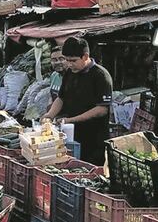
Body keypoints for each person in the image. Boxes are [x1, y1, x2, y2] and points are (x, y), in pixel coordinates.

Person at [41, 37, 113, 166]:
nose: (69, 64)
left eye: (73, 60)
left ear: (85, 56)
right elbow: (61, 98)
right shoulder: (70, 72)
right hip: (71, 136)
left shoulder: (101, 75)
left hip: (94, 139)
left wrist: (71, 120)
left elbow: (101, 109)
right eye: (67, 60)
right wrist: (49, 115)